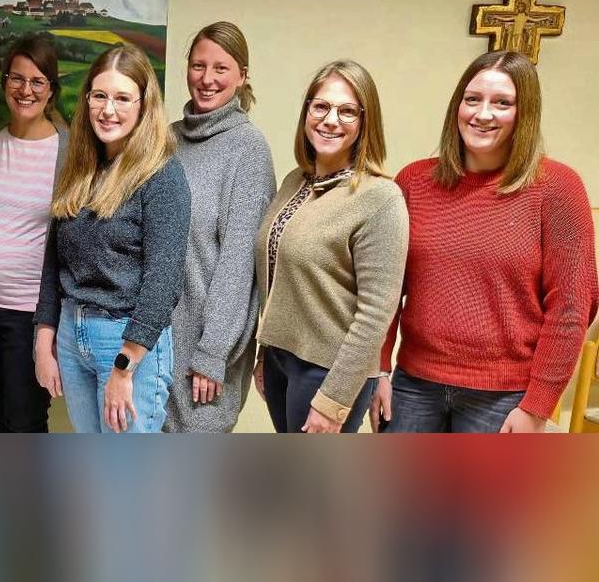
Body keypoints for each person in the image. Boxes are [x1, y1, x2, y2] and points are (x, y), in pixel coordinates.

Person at [371, 50, 598, 433]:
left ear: (524, 113)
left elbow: (572, 307)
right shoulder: (414, 181)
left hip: (505, 399)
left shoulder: (558, 188)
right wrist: (377, 369)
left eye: (502, 103)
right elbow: (385, 289)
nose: (483, 114)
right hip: (413, 388)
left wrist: (537, 407)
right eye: (472, 99)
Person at [33, 43, 190, 433]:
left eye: (122, 98)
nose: (108, 109)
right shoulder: (80, 167)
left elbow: (164, 280)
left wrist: (125, 366)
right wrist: (44, 339)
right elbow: (54, 260)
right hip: (73, 337)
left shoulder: (161, 175)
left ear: (143, 106)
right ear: (86, 100)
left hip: (126, 344)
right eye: (100, 96)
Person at [253, 59, 408, 433]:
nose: (330, 120)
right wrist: (265, 352)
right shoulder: (295, 181)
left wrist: (334, 401)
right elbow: (281, 280)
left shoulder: (380, 198)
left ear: (365, 122)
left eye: (347, 111)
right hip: (280, 361)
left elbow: (376, 315)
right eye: (320, 106)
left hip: (328, 372)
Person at [163, 21, 276, 432]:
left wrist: (213, 353)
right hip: (155, 345)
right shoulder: (166, 140)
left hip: (207, 355)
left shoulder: (248, 149)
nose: (206, 79)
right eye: (198, 65)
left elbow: (239, 266)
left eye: (221, 68)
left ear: (242, 76)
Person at [0, 35, 68, 432]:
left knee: (25, 420)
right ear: (4, 82)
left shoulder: (69, 151)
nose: (25, 90)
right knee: (2, 417)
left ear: (51, 90)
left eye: (37, 81)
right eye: (16, 79)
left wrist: (49, 325)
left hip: (31, 316)